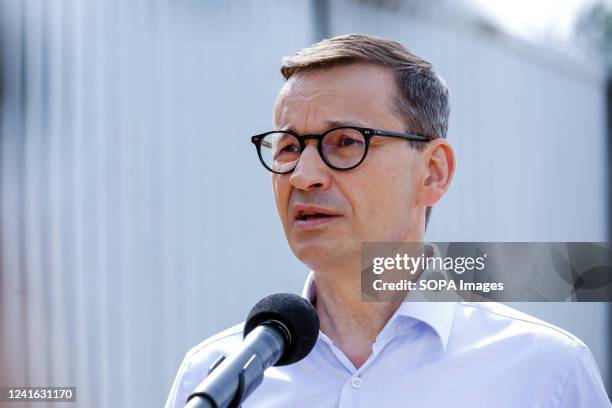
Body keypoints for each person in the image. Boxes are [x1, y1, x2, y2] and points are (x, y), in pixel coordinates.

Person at [165, 34, 611, 407]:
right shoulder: (212, 382)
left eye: (345, 142)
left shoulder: (545, 373)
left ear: (433, 173)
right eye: (287, 147)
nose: (302, 175)